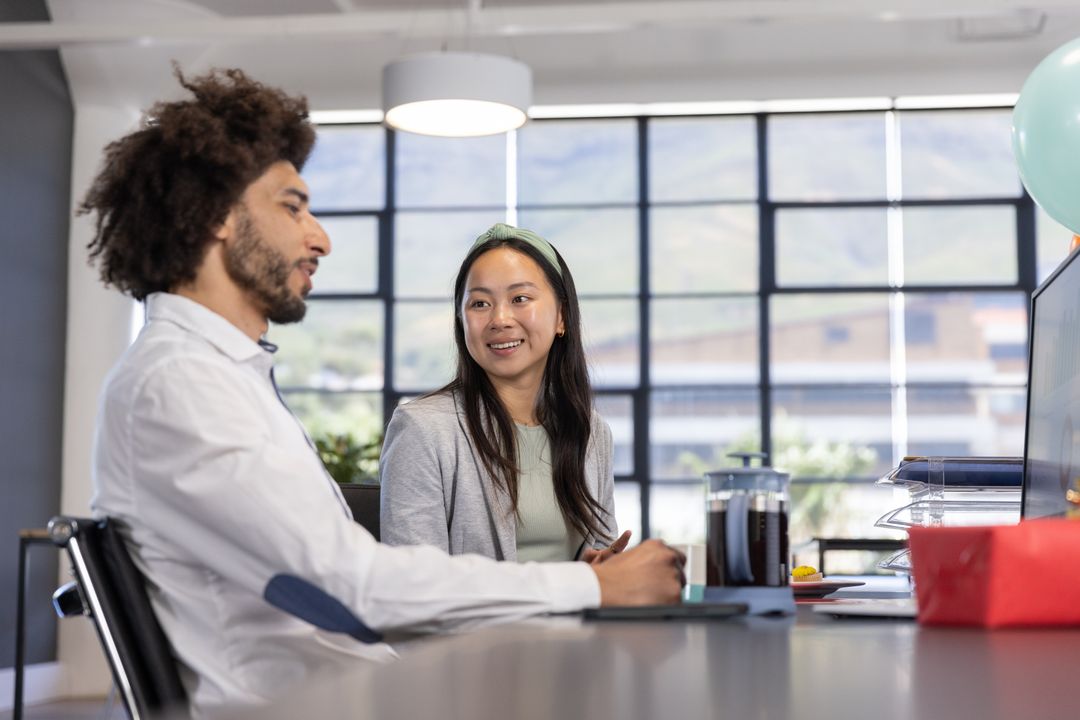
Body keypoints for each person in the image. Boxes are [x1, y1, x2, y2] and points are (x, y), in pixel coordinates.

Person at [82, 67, 684, 713]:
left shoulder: (221, 375)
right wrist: (593, 589)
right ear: (215, 216)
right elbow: (355, 585)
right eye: (292, 206)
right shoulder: (180, 383)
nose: (319, 238)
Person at [380, 223, 631, 564]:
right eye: (480, 303)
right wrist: (562, 585)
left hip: (577, 617)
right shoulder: (423, 430)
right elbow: (415, 584)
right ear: (461, 321)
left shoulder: (591, 431)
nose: (499, 318)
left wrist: (601, 569)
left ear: (562, 317)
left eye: (520, 299)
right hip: (477, 620)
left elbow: (601, 554)